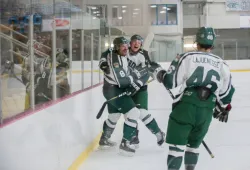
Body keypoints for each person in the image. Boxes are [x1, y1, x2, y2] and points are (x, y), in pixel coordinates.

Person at [148, 27, 235, 170]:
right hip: (206, 111)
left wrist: (158, 72)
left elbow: (170, 82)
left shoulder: (186, 57)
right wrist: (224, 109)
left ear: (196, 42)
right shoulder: (222, 64)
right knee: (193, 147)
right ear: (212, 44)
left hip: (186, 106)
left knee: (176, 148)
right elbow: (227, 95)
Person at [99, 34, 165, 149]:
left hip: (139, 89)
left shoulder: (144, 54)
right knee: (121, 114)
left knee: (140, 112)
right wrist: (102, 61)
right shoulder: (122, 50)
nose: (136, 44)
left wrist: (138, 84)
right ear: (130, 43)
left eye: (139, 43)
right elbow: (106, 53)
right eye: (134, 41)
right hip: (124, 86)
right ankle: (131, 137)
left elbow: (148, 71)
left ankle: (158, 133)